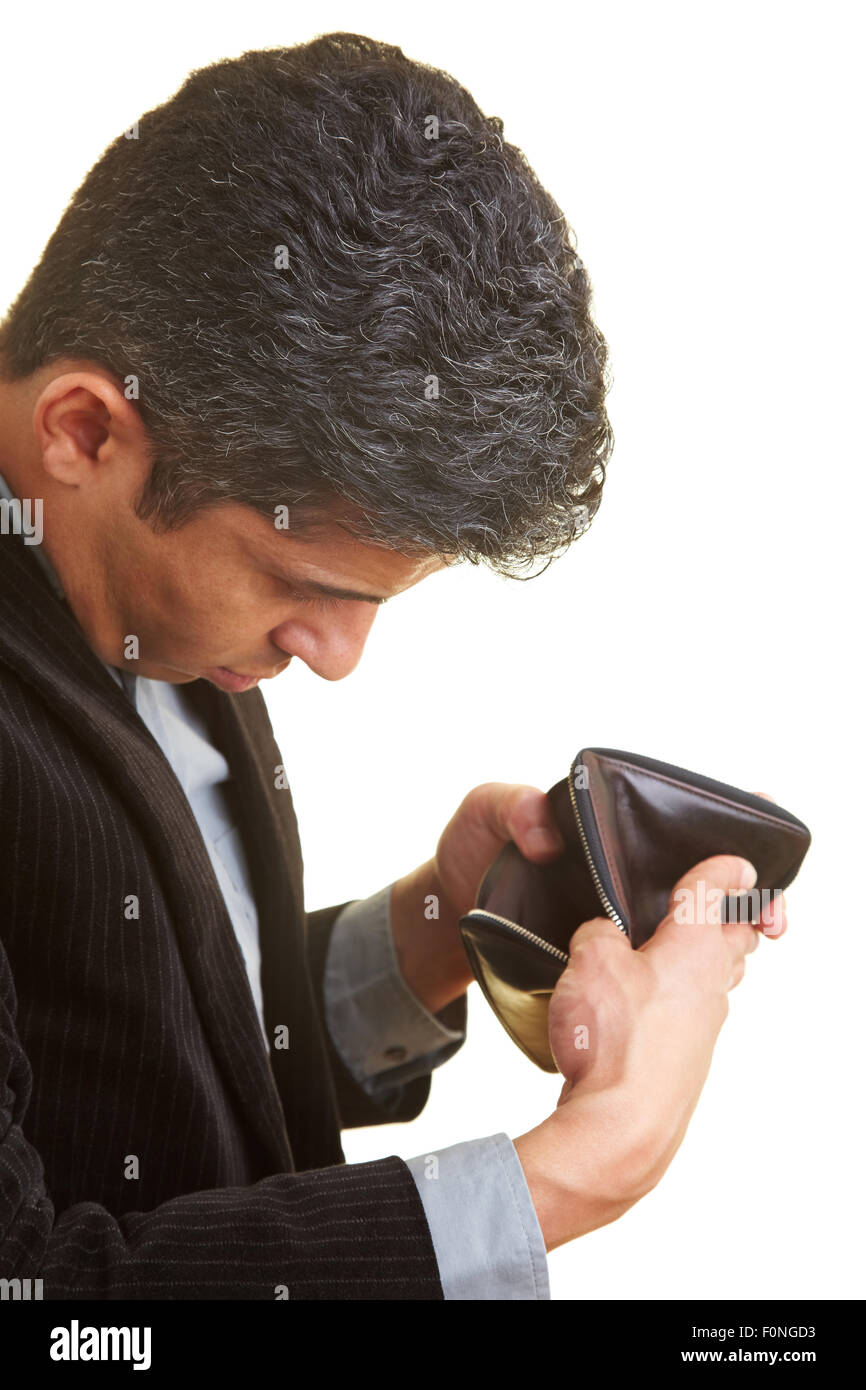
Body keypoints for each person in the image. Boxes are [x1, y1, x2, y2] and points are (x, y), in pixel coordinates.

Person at [0, 31, 783, 1300]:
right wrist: (582, 1165)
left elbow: (115, 1047)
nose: (338, 659)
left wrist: (428, 932)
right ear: (85, 430)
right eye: (304, 587)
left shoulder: (140, 568)